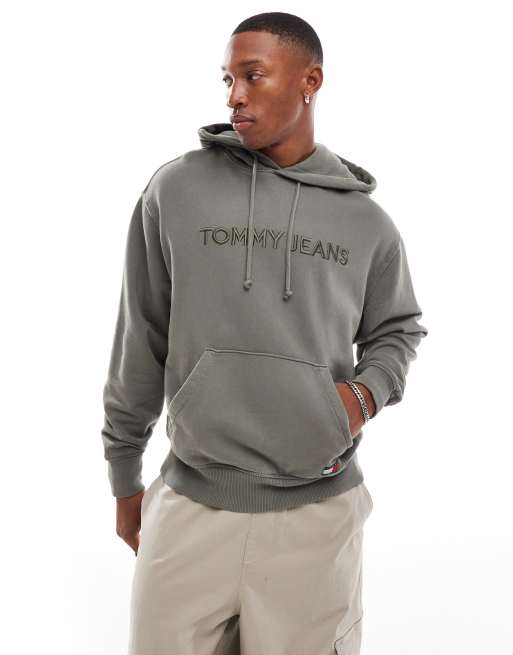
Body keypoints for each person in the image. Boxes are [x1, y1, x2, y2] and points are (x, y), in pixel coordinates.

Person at [101, 11, 428, 655]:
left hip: (315, 522)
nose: (234, 96)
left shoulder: (367, 224)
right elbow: (141, 334)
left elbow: (397, 329)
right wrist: (123, 472)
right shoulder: (176, 190)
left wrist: (362, 397)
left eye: (253, 76)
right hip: (190, 507)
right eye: (228, 79)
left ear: (311, 80)